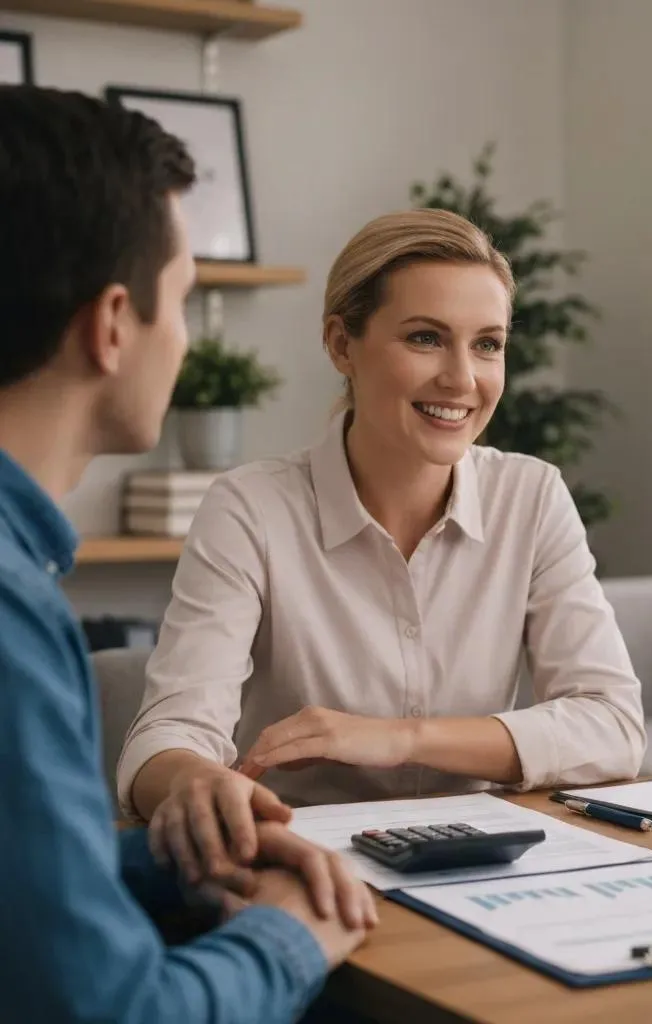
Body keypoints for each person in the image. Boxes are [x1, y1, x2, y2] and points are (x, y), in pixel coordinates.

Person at [116, 206, 646, 883]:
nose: (463, 379)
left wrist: (399, 738)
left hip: (488, 869)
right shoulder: (250, 508)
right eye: (426, 338)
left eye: (487, 344)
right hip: (306, 874)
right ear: (342, 345)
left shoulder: (533, 498)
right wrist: (193, 782)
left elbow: (613, 728)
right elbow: (167, 736)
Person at [0, 85, 377, 1024]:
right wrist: (290, 935)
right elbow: (117, 1015)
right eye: (185, 302)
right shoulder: (10, 610)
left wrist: (169, 855)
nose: (184, 340)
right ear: (115, 322)